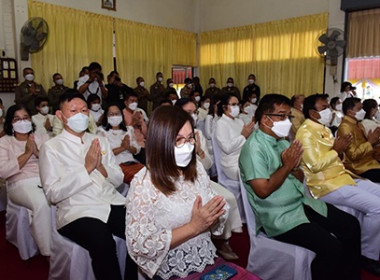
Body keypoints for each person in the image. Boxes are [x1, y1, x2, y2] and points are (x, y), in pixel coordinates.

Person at [125, 106, 258, 280]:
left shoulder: (197, 170)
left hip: (206, 258)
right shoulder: (144, 183)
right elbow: (139, 246)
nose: (187, 147)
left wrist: (215, 213)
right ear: (161, 142)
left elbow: (214, 219)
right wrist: (193, 227)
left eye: (189, 139)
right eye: (178, 140)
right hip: (169, 269)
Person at [239, 93, 361, 280]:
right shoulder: (253, 148)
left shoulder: (281, 141)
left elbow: (298, 176)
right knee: (331, 248)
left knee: (351, 225)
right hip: (278, 216)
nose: (287, 121)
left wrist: (294, 166)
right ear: (266, 119)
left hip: (300, 203)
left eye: (289, 116)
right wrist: (287, 165)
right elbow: (262, 191)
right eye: (282, 115)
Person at [39, 90, 137, 280]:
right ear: (60, 115)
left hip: (109, 201)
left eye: (84, 111)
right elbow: (52, 193)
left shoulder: (99, 140)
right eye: (73, 111)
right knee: (103, 243)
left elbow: (117, 178)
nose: (80, 115)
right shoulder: (51, 148)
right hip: (77, 210)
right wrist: (86, 168)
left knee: (139, 231)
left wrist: (100, 167)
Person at [296, 93, 380, 276]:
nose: (329, 111)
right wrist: (336, 151)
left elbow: (339, 157)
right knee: (378, 208)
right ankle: (367, 254)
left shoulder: (323, 128)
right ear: (312, 112)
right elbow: (313, 165)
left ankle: (370, 241)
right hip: (324, 185)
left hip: (342, 177)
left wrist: (338, 152)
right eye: (324, 107)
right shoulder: (305, 133)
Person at [176, 98, 243, 260]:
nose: (192, 116)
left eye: (195, 112)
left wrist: (199, 151)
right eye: (188, 113)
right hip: (179, 180)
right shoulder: (171, 134)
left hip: (200, 178)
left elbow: (208, 165)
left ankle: (221, 240)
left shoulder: (197, 134)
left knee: (227, 198)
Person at [0, 104, 51, 257]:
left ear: (31, 119)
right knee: (43, 202)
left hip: (46, 178)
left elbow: (54, 163)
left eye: (25, 118)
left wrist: (37, 152)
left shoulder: (42, 137)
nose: (22, 122)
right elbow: (3, 171)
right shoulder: (4, 142)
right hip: (20, 183)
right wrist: (27, 153)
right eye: (17, 119)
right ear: (10, 123)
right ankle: (48, 252)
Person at [97, 103, 143, 184]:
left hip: (132, 163)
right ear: (106, 117)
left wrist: (128, 147)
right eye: (111, 114)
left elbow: (137, 150)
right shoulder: (101, 132)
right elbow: (104, 154)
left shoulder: (128, 130)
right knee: (139, 180)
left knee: (149, 176)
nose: (115, 116)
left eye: (117, 114)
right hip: (116, 166)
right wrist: (122, 148)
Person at [337, 97, 380, 182]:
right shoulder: (345, 127)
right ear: (350, 112)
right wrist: (370, 142)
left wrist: (374, 140)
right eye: (360, 109)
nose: (363, 111)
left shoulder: (358, 124)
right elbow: (353, 155)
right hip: (359, 168)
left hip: (369, 162)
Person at [215, 94, 254, 180]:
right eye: (233, 104)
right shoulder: (221, 123)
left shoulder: (239, 121)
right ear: (224, 107)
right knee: (255, 173)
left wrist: (249, 134)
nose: (237, 107)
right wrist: (243, 136)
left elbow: (247, 141)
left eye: (238, 104)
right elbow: (227, 148)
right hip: (232, 164)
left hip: (245, 157)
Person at [123, 92, 148, 164]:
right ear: (126, 102)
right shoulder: (122, 114)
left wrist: (141, 124)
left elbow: (145, 134)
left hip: (143, 143)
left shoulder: (139, 112)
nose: (134, 103)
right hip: (133, 145)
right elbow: (124, 133)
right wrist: (133, 122)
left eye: (136, 101)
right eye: (132, 101)